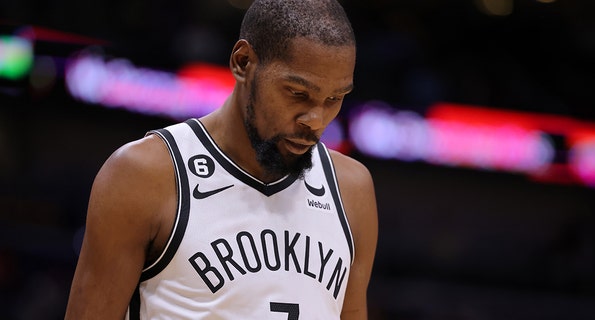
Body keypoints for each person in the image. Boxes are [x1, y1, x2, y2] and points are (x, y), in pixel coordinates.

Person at [64, 0, 378, 319]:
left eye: (334, 99)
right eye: (298, 93)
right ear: (243, 62)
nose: (316, 119)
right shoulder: (145, 174)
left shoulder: (352, 189)